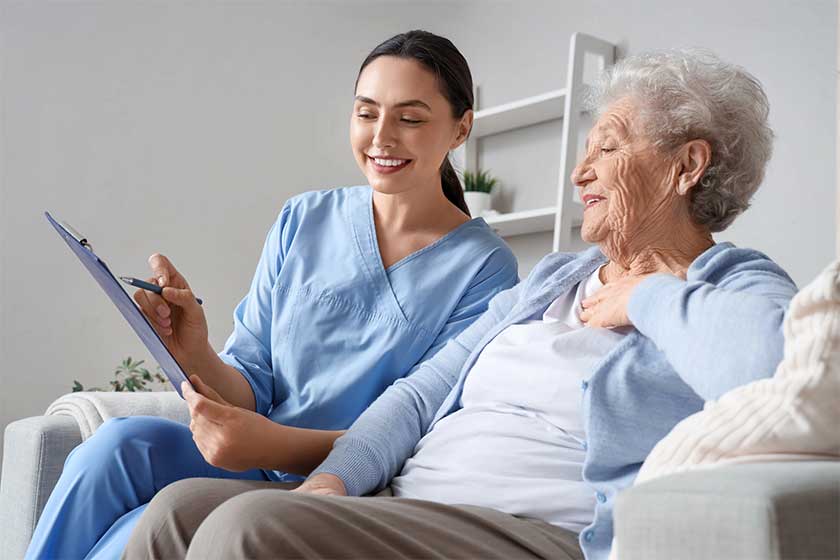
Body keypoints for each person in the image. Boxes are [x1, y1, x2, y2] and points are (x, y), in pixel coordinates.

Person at [123, 48, 799, 560]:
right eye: (586, 146)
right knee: (177, 511)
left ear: (687, 166)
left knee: (251, 527)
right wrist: (335, 480)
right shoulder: (554, 279)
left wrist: (648, 294)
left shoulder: (733, 284)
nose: (579, 170)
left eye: (609, 146)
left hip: (534, 530)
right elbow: (420, 396)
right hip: (414, 503)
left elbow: (781, 371)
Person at [24, 30, 518, 560]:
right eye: (366, 113)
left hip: (342, 486)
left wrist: (268, 443)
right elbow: (250, 386)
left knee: (141, 531)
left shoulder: (485, 270)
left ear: (461, 127)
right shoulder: (303, 219)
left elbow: (421, 430)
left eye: (411, 118)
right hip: (251, 455)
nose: (382, 137)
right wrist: (193, 349)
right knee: (113, 447)